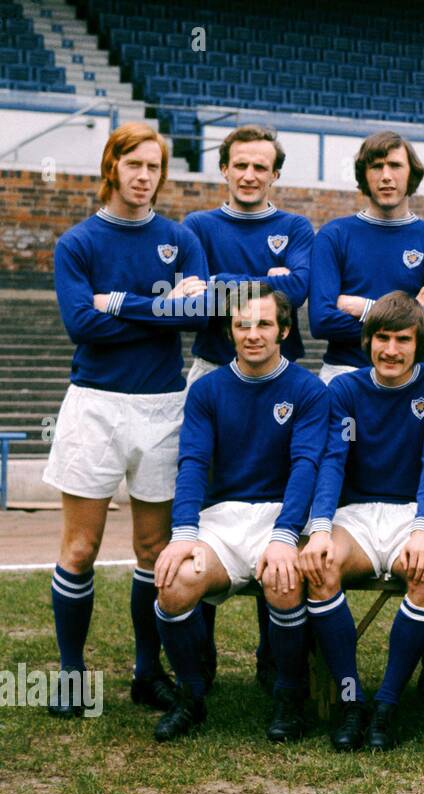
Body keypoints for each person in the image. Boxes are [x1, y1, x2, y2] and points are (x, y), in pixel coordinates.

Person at [45, 122, 210, 718]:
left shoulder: (179, 237)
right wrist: (159, 310)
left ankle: (148, 671)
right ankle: (70, 673)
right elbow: (80, 326)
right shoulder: (78, 243)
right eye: (135, 165)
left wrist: (120, 304)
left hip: (164, 407)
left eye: (155, 168)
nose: (145, 177)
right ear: (111, 165)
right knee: (81, 547)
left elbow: (194, 316)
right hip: (95, 402)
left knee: (151, 547)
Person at [150, 284, 327, 741]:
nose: (253, 334)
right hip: (223, 519)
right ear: (230, 331)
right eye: (242, 324)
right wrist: (184, 531)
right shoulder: (207, 390)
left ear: (284, 330)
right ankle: (191, 696)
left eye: (264, 324)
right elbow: (192, 463)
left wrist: (287, 534)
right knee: (172, 585)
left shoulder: (308, 389)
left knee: (283, 581)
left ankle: (290, 697)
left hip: (280, 517)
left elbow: (305, 466)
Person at [183, 123, 315, 692]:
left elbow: (298, 294)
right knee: (210, 495)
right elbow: (187, 299)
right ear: (225, 168)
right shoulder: (197, 226)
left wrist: (222, 286)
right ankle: (201, 653)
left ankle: (272, 652)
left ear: (275, 174)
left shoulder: (295, 226)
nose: (250, 174)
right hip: (214, 370)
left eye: (261, 166)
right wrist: (264, 281)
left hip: (281, 376)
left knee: (277, 498)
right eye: (240, 164)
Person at [298, 292, 424, 752]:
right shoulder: (345, 389)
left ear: (419, 345)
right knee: (320, 565)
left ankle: (387, 704)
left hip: (415, 510)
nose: (391, 349)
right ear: (367, 341)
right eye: (382, 338)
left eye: (403, 340)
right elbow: (331, 461)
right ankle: (352, 699)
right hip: (358, 514)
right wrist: (322, 528)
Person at [309, 131, 424, 383]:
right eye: (376, 167)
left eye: (395, 166)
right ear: (364, 175)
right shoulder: (334, 234)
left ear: (412, 173)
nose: (386, 176)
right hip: (344, 372)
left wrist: (366, 308)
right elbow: (322, 321)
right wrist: (413, 313)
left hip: (412, 377)